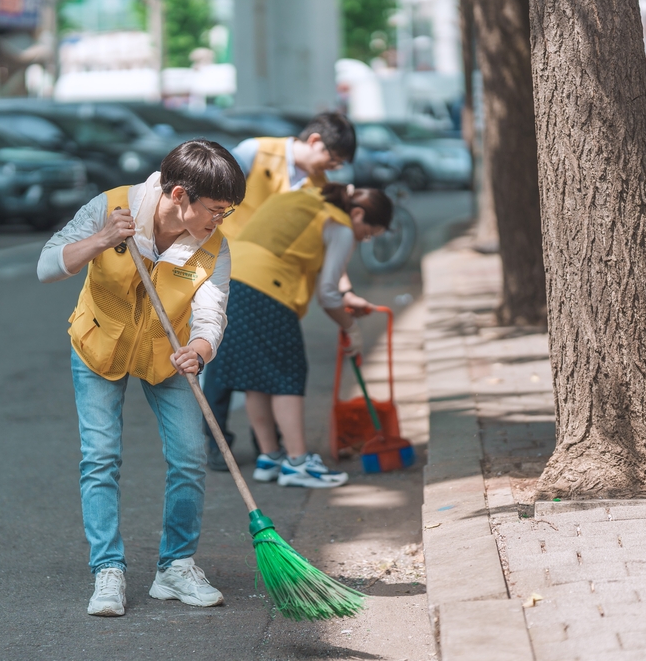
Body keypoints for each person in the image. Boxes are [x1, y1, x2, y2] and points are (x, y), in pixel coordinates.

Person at [36, 139, 246, 617]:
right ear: (178, 195)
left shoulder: (214, 247)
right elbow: (47, 267)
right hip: (98, 345)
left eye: (227, 211)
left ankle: (175, 567)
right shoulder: (111, 207)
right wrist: (101, 240)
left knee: (192, 456)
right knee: (101, 456)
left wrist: (200, 348)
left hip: (166, 354)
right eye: (215, 209)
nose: (220, 220)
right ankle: (108, 570)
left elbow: (213, 313)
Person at [202, 111, 368, 470]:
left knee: (254, 365)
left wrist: (346, 289)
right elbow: (209, 194)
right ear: (314, 141)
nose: (334, 168)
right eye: (332, 158)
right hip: (223, 264)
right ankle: (214, 441)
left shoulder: (320, 185)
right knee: (220, 358)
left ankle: (270, 449)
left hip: (268, 278)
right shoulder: (254, 152)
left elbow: (321, 246)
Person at [209, 183, 392, 488]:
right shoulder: (341, 226)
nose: (365, 239)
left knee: (257, 376)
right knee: (287, 375)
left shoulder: (306, 197)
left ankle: (270, 457)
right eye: (369, 232)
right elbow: (329, 296)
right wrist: (351, 328)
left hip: (231, 280)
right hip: (268, 289)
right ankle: (298, 462)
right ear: (357, 213)